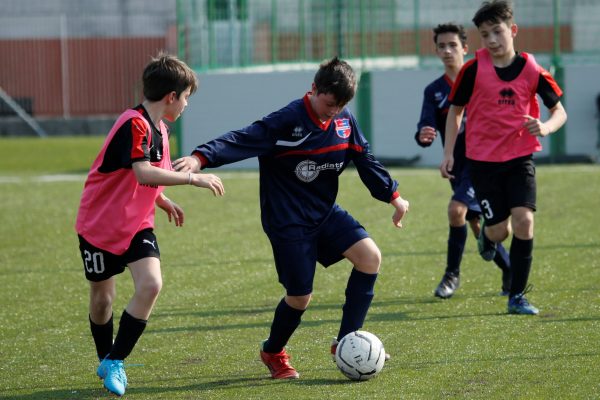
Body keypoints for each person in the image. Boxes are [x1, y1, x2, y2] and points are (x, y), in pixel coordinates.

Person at [173, 57, 409, 379]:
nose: (333, 112)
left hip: (323, 212)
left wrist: (393, 196)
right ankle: (272, 351)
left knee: (370, 258)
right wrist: (201, 158)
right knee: (300, 297)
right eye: (328, 103)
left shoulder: (344, 121)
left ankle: (346, 341)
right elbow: (243, 138)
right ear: (313, 89)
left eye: (340, 106)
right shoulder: (287, 120)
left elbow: (364, 159)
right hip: (287, 220)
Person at [75, 53, 225, 396]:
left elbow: (151, 178)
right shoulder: (134, 123)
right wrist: (192, 182)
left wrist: (162, 200)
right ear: (171, 96)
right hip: (99, 226)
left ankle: (115, 360)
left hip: (137, 226)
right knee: (102, 300)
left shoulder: (161, 129)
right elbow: (141, 171)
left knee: (151, 284)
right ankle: (105, 357)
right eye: (186, 96)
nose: (187, 104)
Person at [440, 0, 567, 315]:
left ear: (513, 30)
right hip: (482, 162)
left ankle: (518, 296)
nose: (492, 40)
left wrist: (546, 127)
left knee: (525, 220)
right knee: (500, 232)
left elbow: (559, 111)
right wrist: (447, 155)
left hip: (520, 157)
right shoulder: (472, 69)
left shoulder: (533, 69)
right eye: (485, 35)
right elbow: (455, 112)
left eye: (497, 32)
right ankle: (486, 233)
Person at [415, 23, 511, 299]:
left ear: (465, 48)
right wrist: (424, 135)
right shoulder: (434, 91)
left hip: (485, 162)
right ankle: (509, 269)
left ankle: (451, 275)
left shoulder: (485, 80)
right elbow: (425, 126)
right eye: (441, 46)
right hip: (457, 166)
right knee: (478, 224)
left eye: (453, 45)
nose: (447, 51)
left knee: (457, 211)